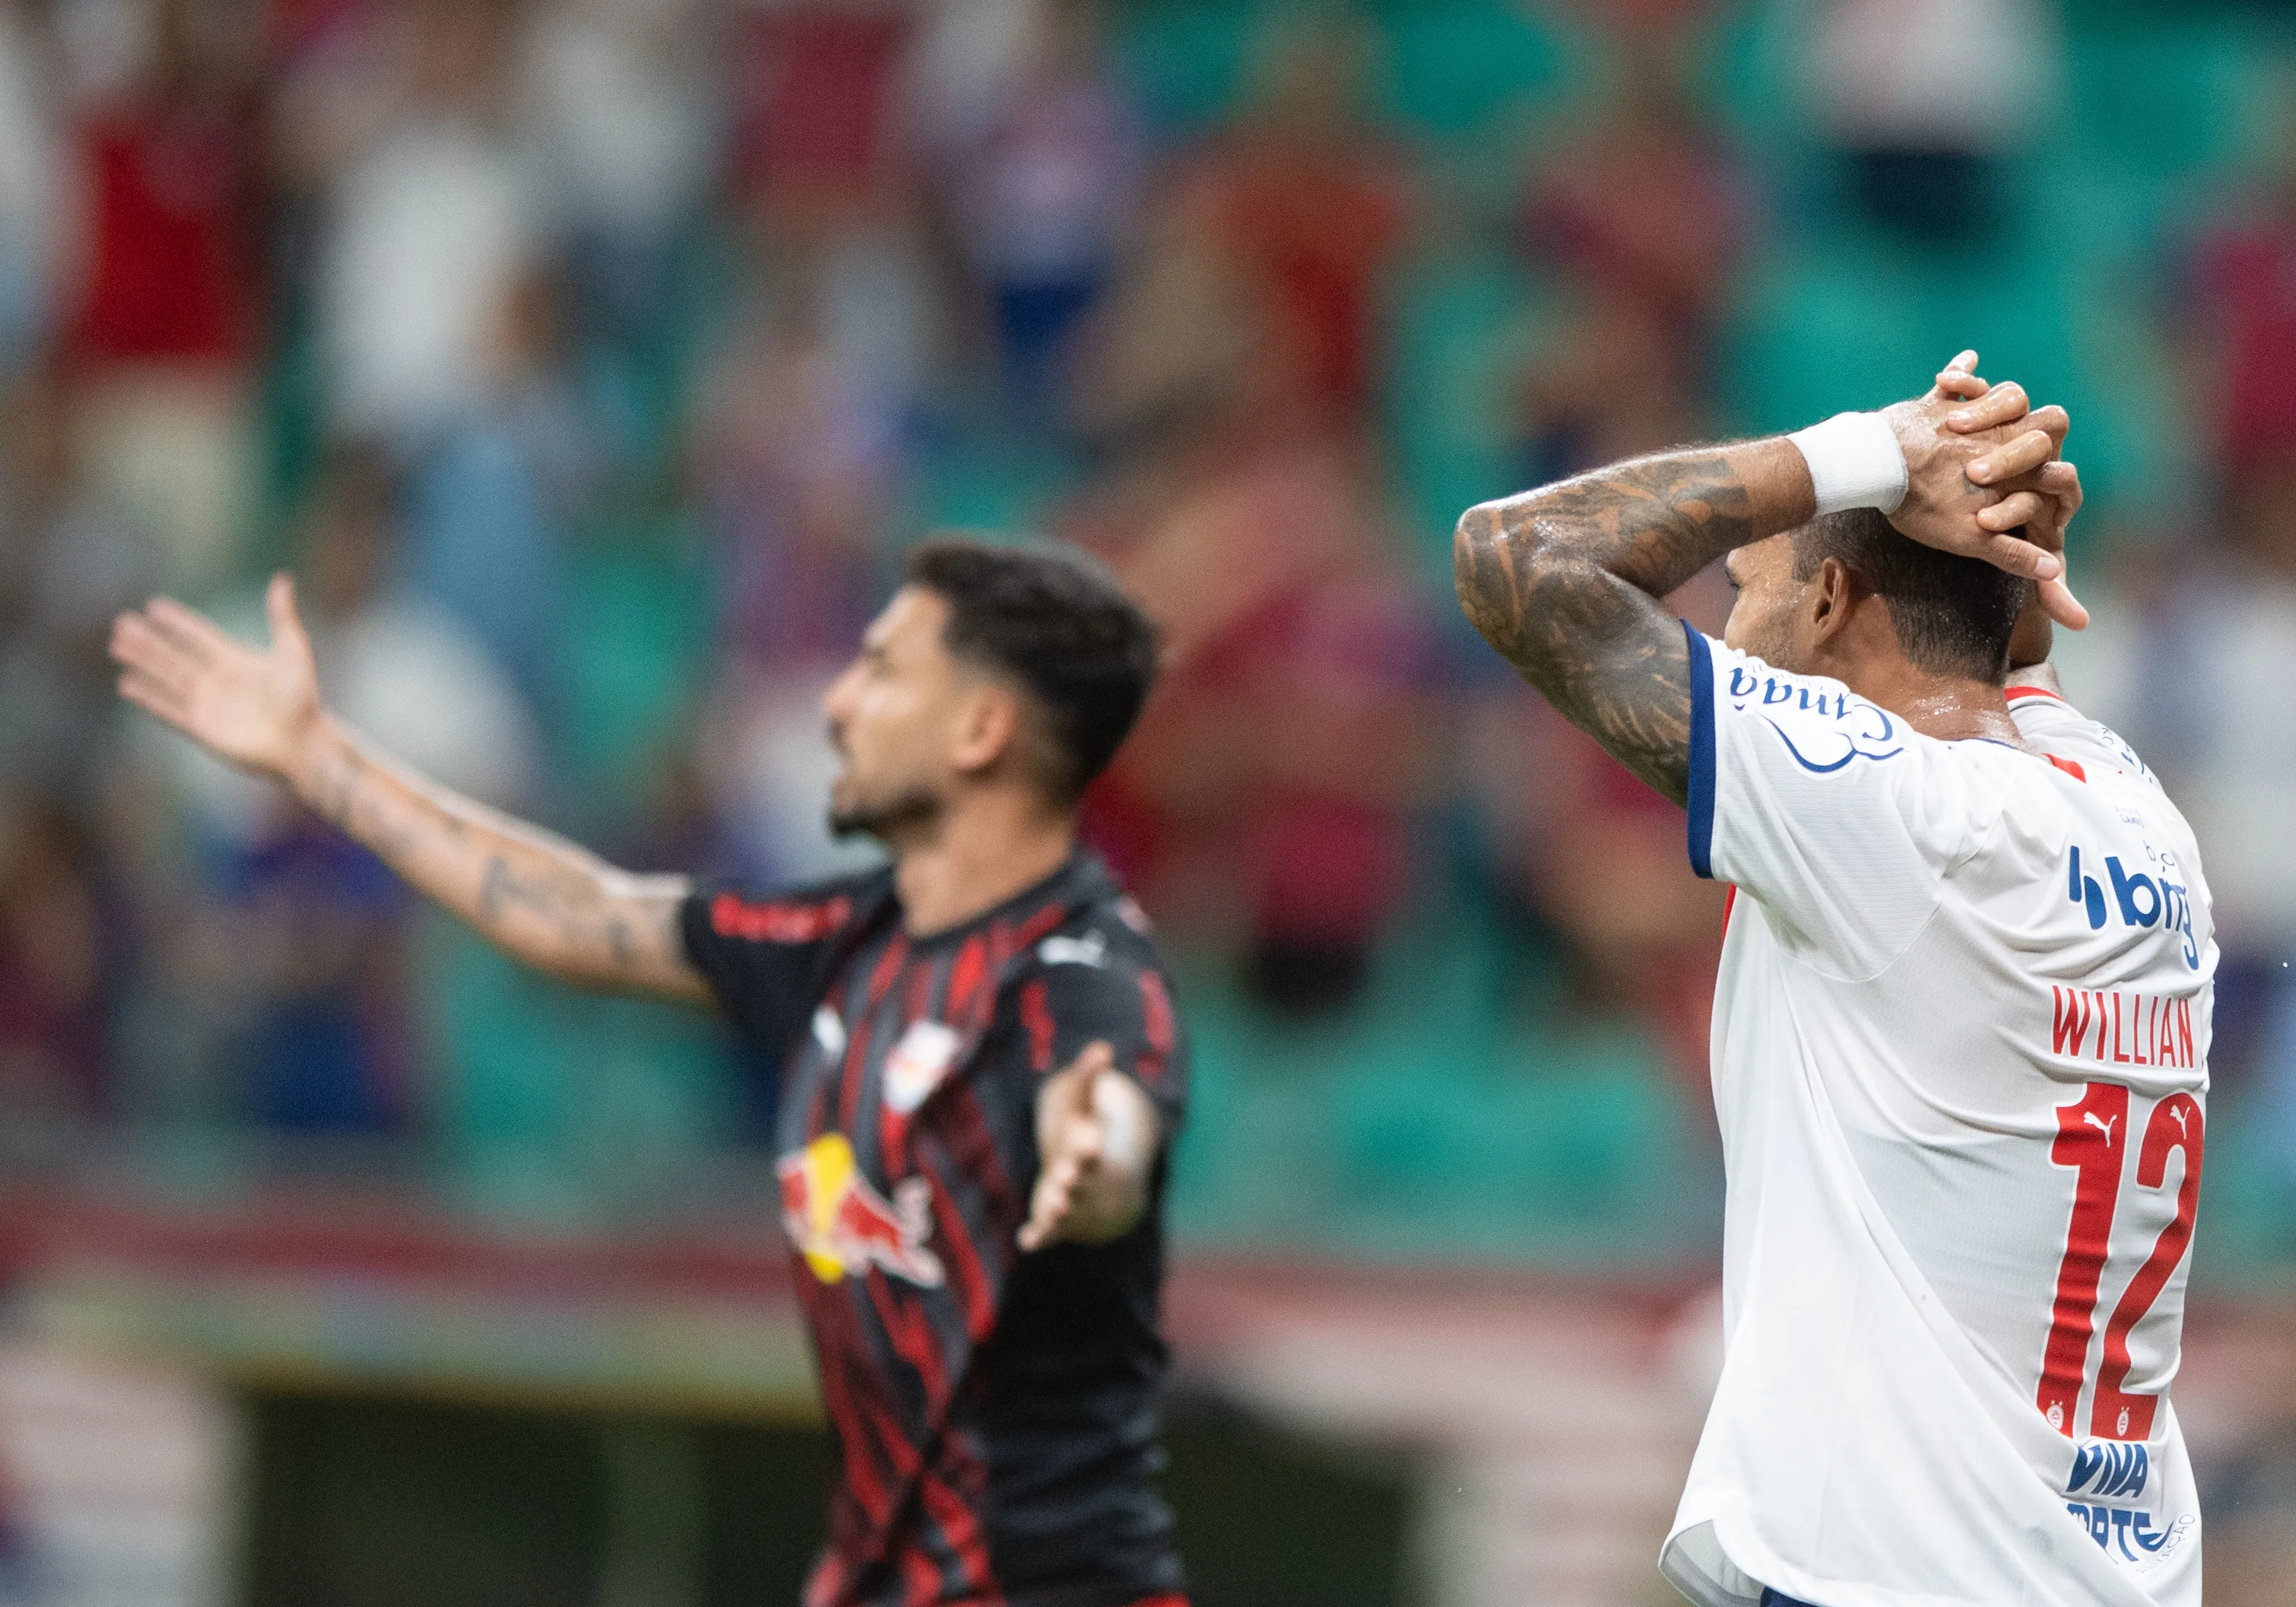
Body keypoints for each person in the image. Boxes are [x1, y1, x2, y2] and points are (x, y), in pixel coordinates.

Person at [109, 535, 1192, 1607]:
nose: (837, 702)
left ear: (981, 729)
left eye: (883, 669)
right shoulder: (842, 941)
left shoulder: (1076, 968)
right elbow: (582, 916)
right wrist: (318, 762)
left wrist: (1094, 1160)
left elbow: (1104, 1103)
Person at [1454, 354, 2211, 1607]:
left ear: (1826, 603)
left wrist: (1869, 452)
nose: (1728, 625)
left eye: (1747, 586)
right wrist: (2008, 533)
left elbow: (1512, 558)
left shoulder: (1895, 812)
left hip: (1899, 1570)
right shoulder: (2130, 815)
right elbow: (2002, 660)